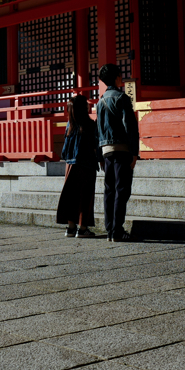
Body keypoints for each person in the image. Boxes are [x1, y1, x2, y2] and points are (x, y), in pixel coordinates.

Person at [96, 63, 139, 242]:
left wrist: (100, 155)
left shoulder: (100, 101)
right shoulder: (121, 98)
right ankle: (117, 230)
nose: (121, 78)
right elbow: (130, 126)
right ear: (116, 78)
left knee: (109, 190)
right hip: (122, 150)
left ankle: (110, 230)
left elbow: (97, 130)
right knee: (122, 190)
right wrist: (135, 152)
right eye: (120, 75)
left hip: (106, 151)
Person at [56, 94, 100, 238]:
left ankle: (70, 227)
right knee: (85, 196)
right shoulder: (90, 124)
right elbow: (94, 147)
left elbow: (64, 150)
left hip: (70, 164)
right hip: (86, 165)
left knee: (71, 195)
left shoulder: (70, 125)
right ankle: (82, 228)